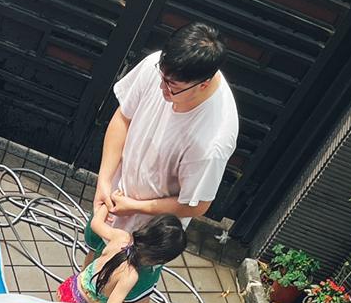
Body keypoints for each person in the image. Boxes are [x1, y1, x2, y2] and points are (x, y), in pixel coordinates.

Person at [86, 22, 238, 261]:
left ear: (203, 84)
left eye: (172, 86)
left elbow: (197, 205)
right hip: (116, 195)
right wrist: (104, 180)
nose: (162, 87)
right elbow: (123, 118)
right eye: (162, 77)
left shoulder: (212, 141)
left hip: (150, 231)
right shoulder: (159, 65)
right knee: (92, 261)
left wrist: (135, 206)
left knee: (124, 280)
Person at [58, 202, 183, 303]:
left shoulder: (121, 237)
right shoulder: (130, 276)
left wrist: (108, 204)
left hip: (69, 288)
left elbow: (95, 224)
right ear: (158, 260)